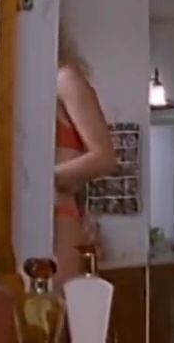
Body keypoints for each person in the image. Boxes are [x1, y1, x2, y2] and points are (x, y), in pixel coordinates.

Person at [54, 24, 117, 287]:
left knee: (53, 304)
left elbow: (105, 156)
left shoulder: (65, 79)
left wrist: (44, 180)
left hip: (60, 212)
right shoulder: (29, 90)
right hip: (35, 209)